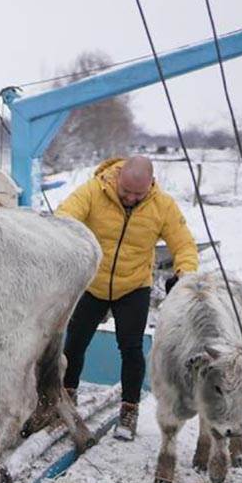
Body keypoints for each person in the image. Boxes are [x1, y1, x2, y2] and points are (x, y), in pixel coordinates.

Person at [55, 155, 198, 441]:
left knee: (131, 349)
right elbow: (64, 218)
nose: (131, 198)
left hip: (133, 286)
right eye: (126, 192)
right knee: (75, 341)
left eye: (138, 194)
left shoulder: (163, 206)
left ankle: (129, 410)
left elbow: (184, 244)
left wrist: (186, 274)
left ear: (150, 185)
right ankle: (66, 399)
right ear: (118, 179)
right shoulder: (94, 191)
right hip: (92, 281)